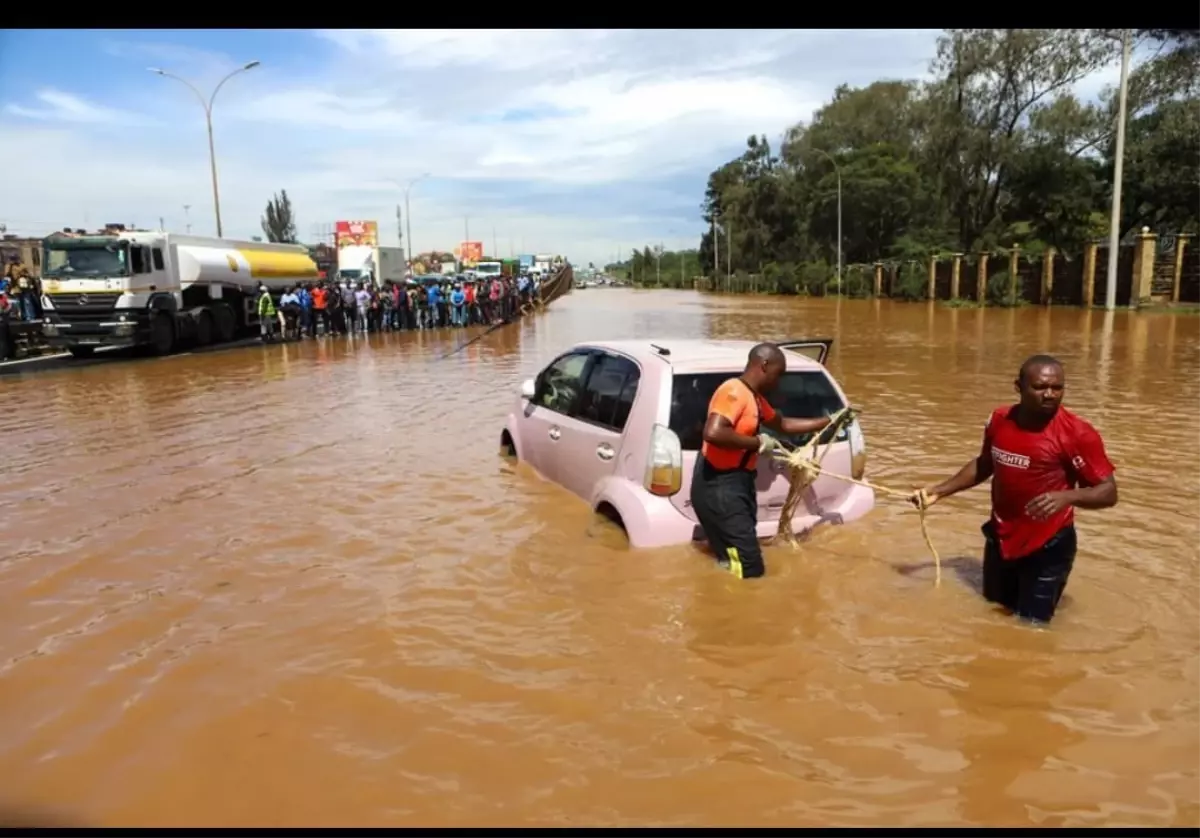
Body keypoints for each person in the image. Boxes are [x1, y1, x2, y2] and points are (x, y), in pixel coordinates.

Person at [911, 354, 1118, 625]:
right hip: (1001, 538)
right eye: (1040, 387)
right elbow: (986, 463)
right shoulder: (999, 420)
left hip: (1048, 545)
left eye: (1057, 388)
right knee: (992, 615)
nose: (1049, 394)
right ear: (1018, 387)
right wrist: (939, 491)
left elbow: (1108, 492)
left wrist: (1068, 496)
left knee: (1032, 628)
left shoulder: (1078, 434)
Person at [691, 343, 842, 580]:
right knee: (750, 566)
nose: (778, 382)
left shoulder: (756, 400)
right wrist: (759, 443)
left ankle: (721, 590)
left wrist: (830, 421)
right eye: (778, 374)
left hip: (736, 483)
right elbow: (713, 432)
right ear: (764, 365)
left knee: (732, 556)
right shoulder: (733, 391)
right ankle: (739, 596)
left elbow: (783, 424)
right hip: (719, 485)